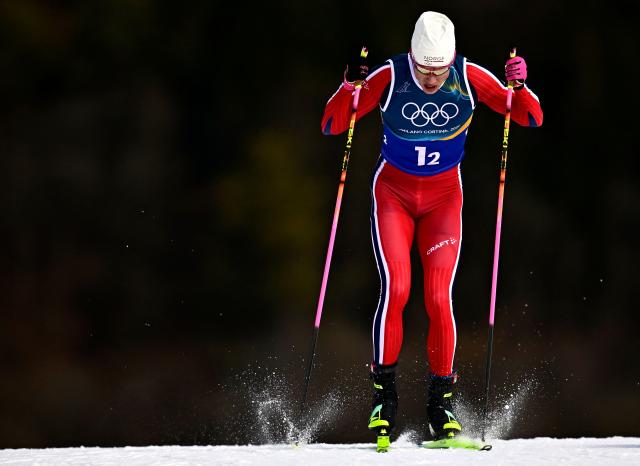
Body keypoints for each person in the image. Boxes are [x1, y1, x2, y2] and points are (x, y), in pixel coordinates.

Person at [320, 11, 543, 445]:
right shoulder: (391, 75)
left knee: (439, 296)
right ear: (412, 58)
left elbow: (529, 118)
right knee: (398, 288)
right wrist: (349, 87)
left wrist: (520, 86)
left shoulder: (470, 76)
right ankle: (383, 399)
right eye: (423, 69)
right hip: (394, 198)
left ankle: (441, 407)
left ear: (451, 59)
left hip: (444, 200)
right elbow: (332, 124)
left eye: (439, 70)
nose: (430, 79)